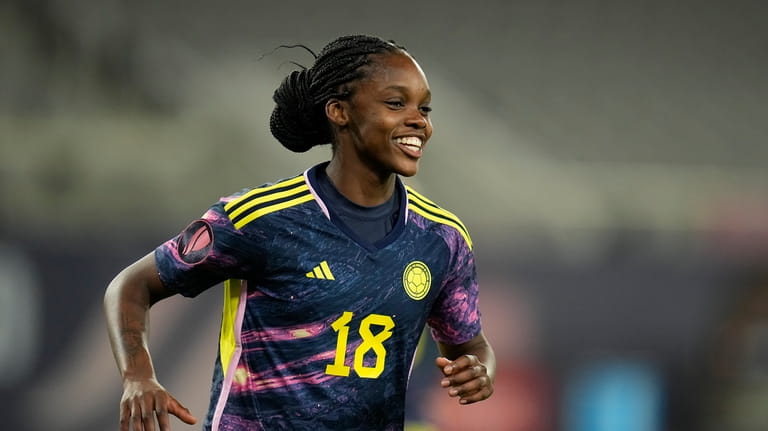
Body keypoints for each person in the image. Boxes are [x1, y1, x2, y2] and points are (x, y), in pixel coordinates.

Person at [104, 34, 495, 431]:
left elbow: (471, 347)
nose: (419, 121)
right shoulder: (257, 220)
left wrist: (480, 370)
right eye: (396, 103)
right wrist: (138, 375)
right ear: (339, 111)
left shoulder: (443, 239)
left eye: (424, 108)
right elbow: (131, 287)